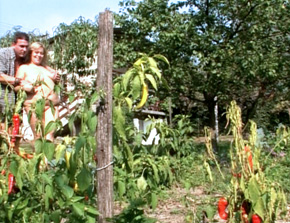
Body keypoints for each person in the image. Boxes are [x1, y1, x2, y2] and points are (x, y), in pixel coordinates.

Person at [15, 42, 60, 141]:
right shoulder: (24, 68)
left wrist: (57, 80)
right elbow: (16, 87)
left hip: (51, 106)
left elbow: (56, 84)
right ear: (30, 53)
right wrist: (25, 87)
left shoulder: (47, 69)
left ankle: (48, 157)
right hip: (34, 106)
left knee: (50, 135)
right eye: (36, 52)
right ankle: (39, 156)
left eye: (41, 53)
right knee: (38, 136)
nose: (38, 55)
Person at [0, 32, 31, 124]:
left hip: (18, 100)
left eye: (26, 47)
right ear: (13, 45)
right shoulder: (3, 54)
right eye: (21, 46)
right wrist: (19, 81)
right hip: (2, 96)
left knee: (15, 126)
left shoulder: (27, 57)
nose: (24, 49)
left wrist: (53, 73)